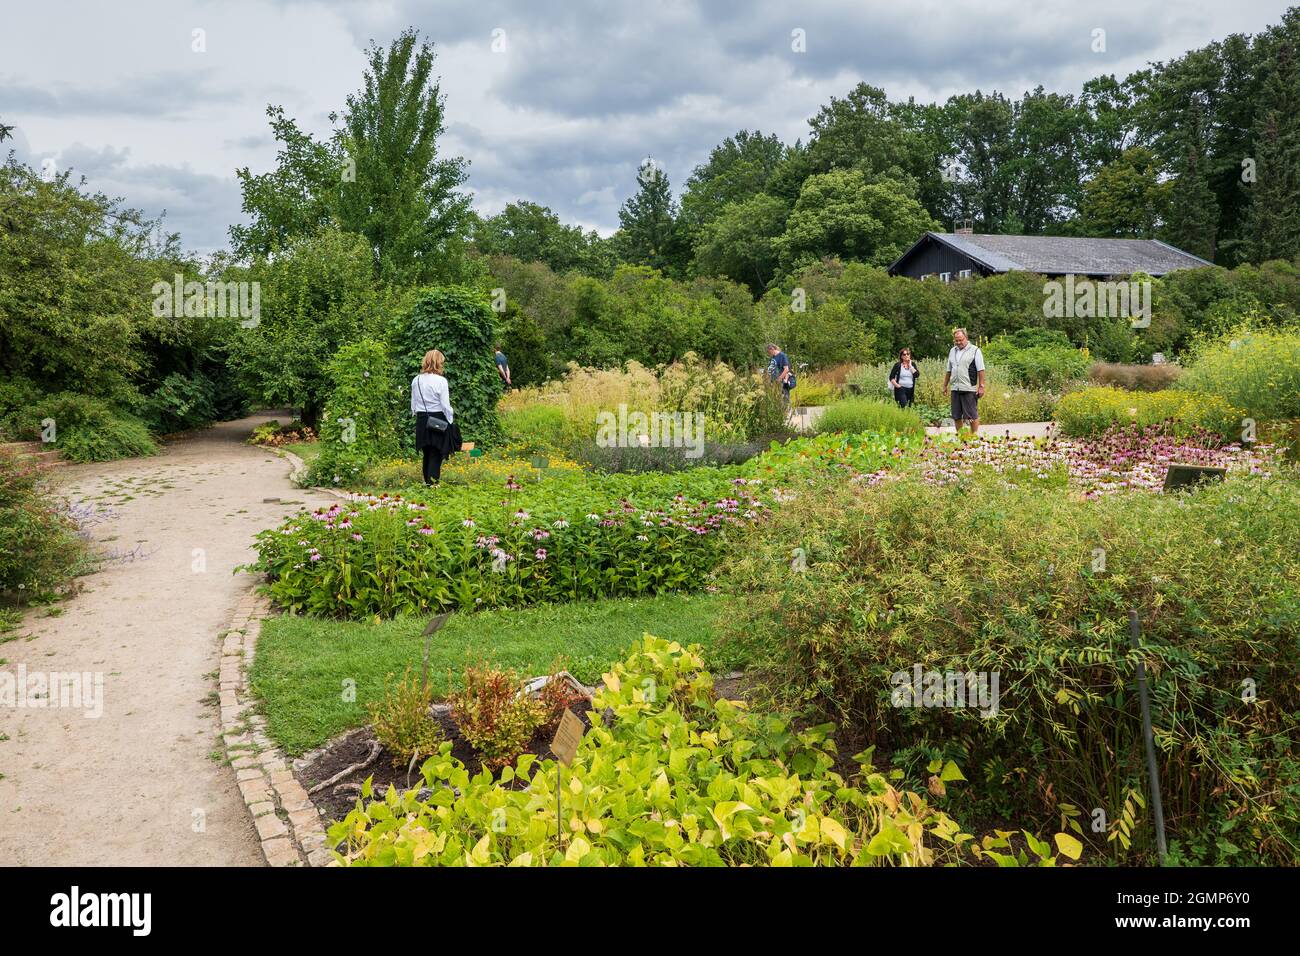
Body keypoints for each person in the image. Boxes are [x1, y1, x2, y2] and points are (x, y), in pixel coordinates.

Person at [411, 349, 463, 485]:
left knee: (427, 453)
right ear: (438, 363)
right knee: (436, 453)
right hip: (438, 419)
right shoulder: (441, 381)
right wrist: (450, 421)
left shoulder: (416, 380)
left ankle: (428, 483)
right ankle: (433, 485)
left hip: (422, 420)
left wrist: (420, 415)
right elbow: (445, 405)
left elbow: (413, 405)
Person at [941, 327, 986, 434]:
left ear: (966, 337)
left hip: (968, 387)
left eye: (960, 340)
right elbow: (949, 370)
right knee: (956, 416)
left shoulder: (975, 350)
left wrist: (981, 386)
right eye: (956, 340)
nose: (958, 342)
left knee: (971, 416)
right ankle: (961, 438)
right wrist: (945, 385)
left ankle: (973, 436)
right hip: (955, 388)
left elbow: (981, 370)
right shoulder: (952, 351)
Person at [765, 342, 794, 409]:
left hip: (781, 381)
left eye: (769, 352)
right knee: (776, 399)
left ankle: (787, 414)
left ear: (772, 349)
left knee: (784, 399)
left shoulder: (782, 356)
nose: (769, 354)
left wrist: (779, 378)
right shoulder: (774, 357)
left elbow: (786, 369)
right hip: (773, 382)